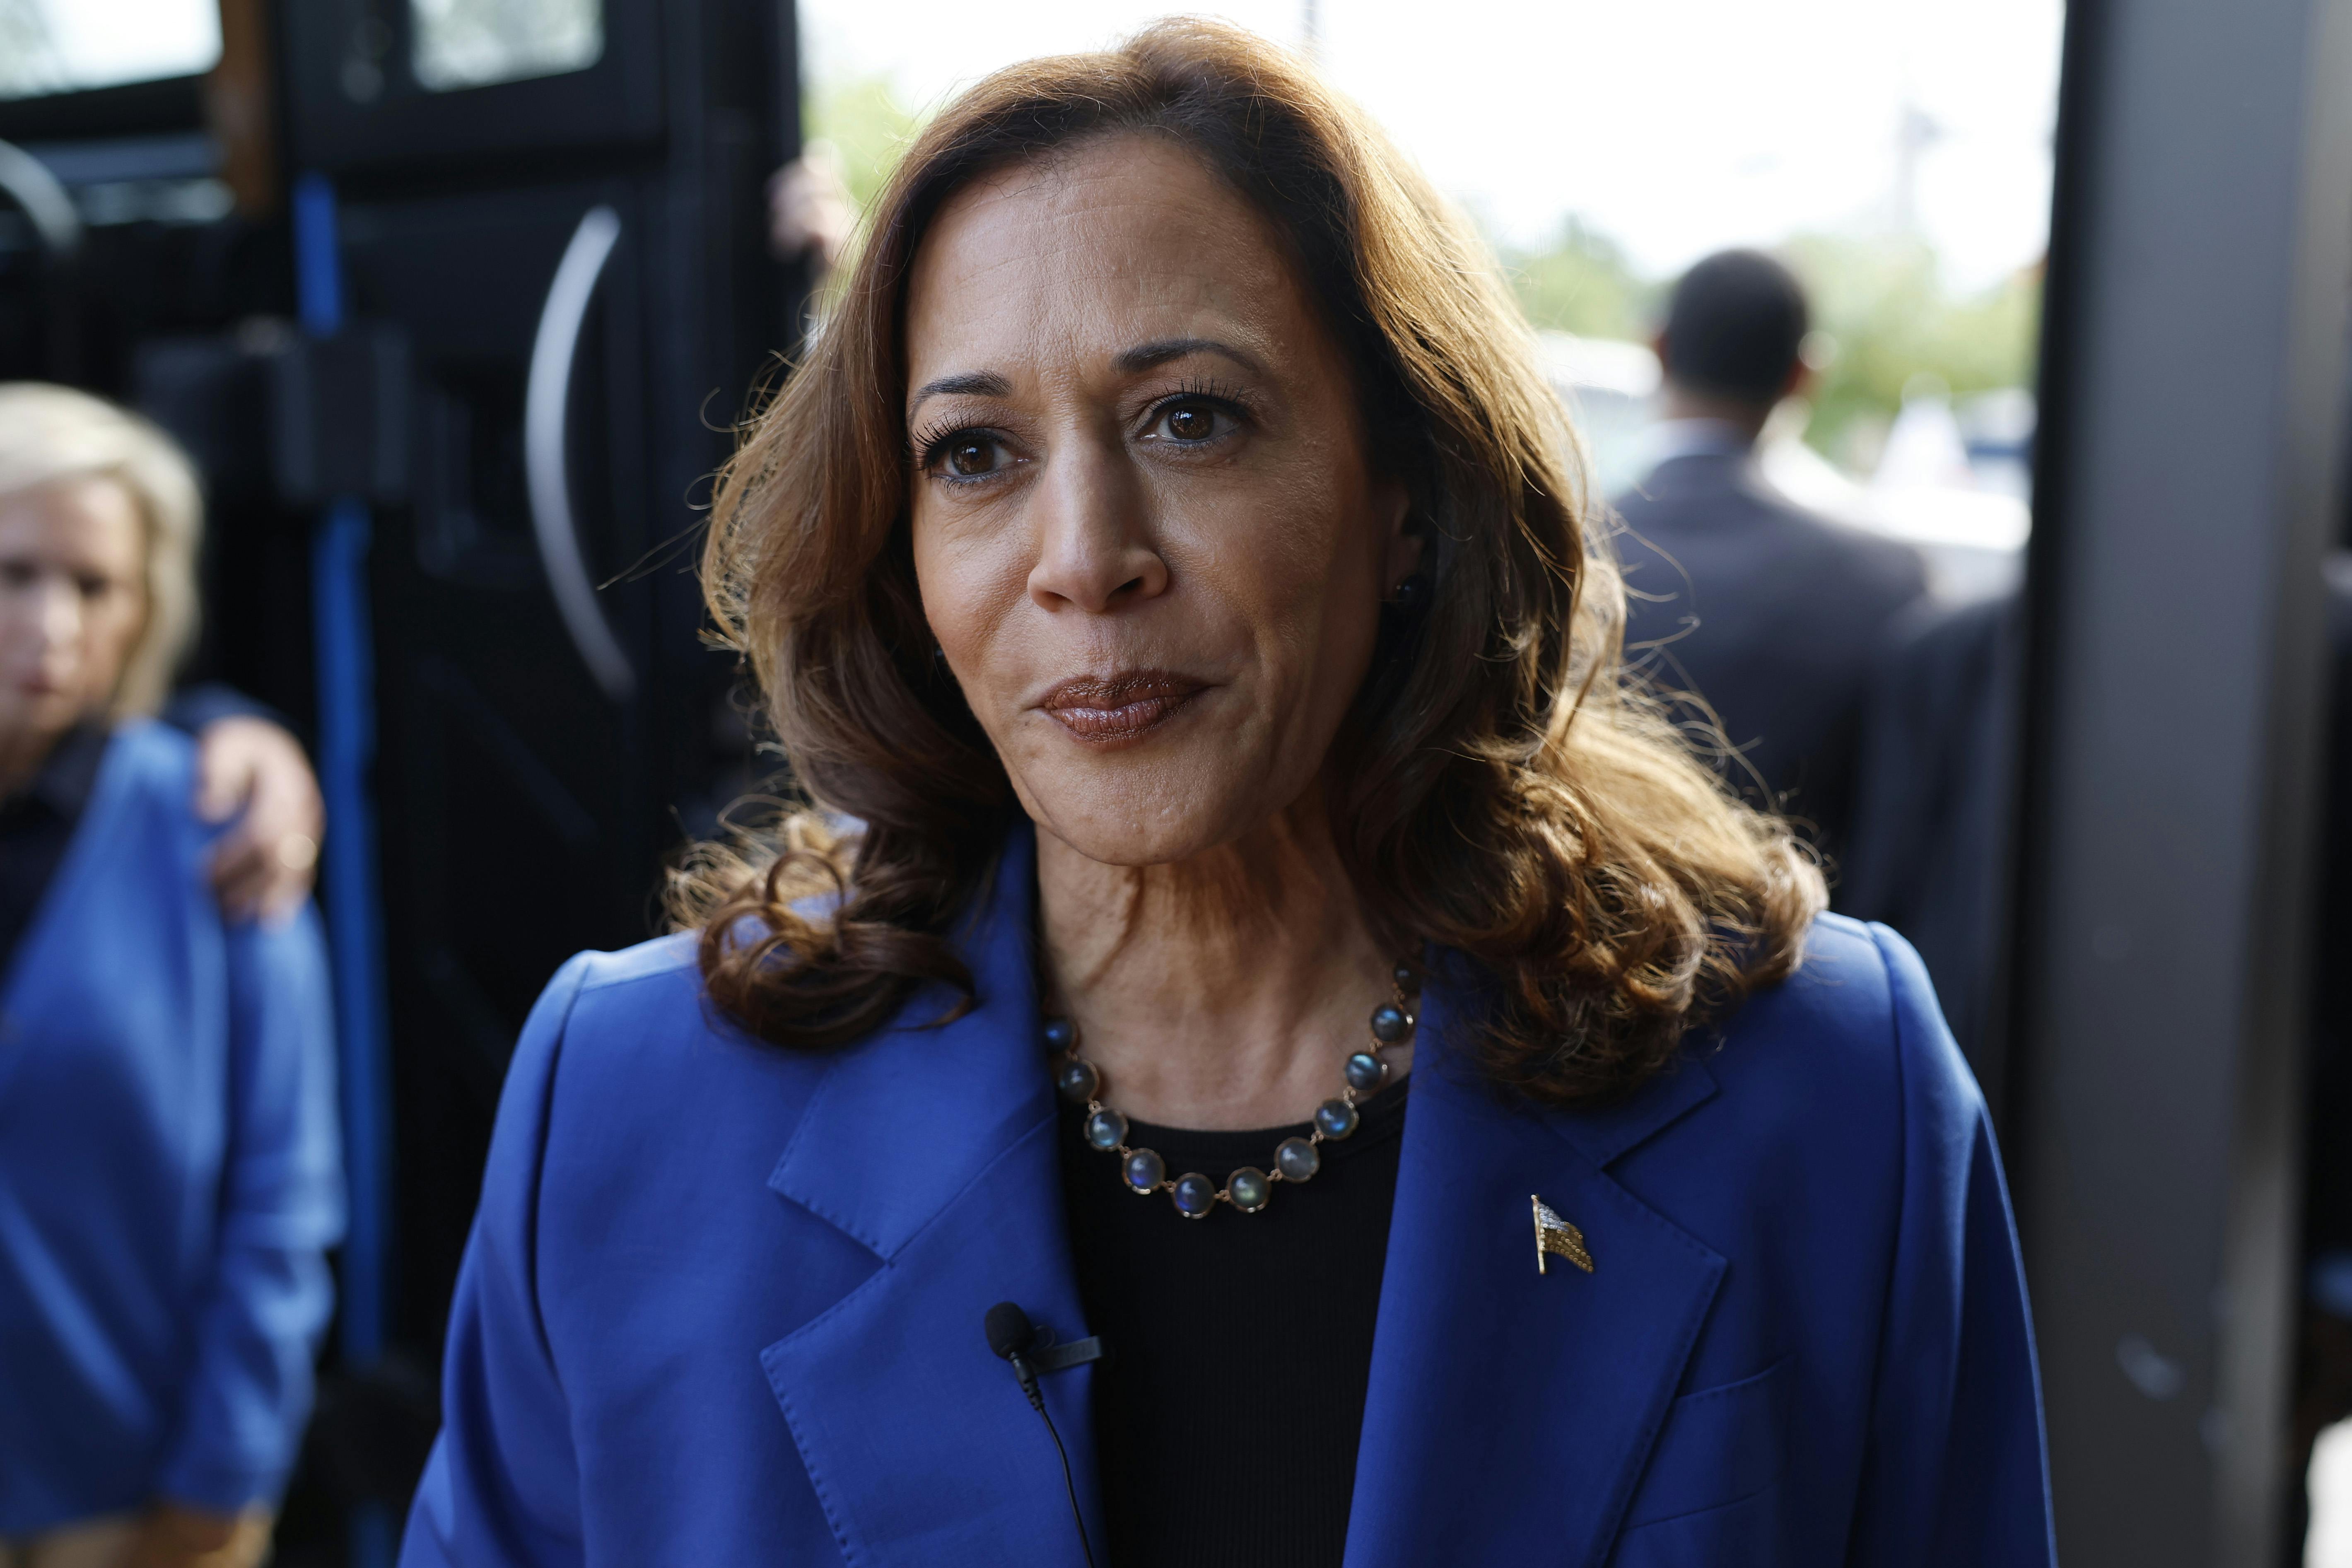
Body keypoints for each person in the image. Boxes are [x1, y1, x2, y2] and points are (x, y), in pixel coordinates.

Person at [402, 23, 2051, 1566]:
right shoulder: (625, 1107)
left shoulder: (1819, 1085)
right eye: (975, 453)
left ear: (1409, 494)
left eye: (1192, 420)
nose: (1083, 559)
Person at [0, 385, 342, 1568]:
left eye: (92, 587)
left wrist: (224, 1485)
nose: (49, 626)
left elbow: (283, 1203)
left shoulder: (222, 830)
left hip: (130, 1513)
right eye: (13, 573)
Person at [1614, 249, 1927, 867]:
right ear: (1803, 375)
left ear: (1658, 347)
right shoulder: (1884, 583)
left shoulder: (1551, 551)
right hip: (1801, 953)